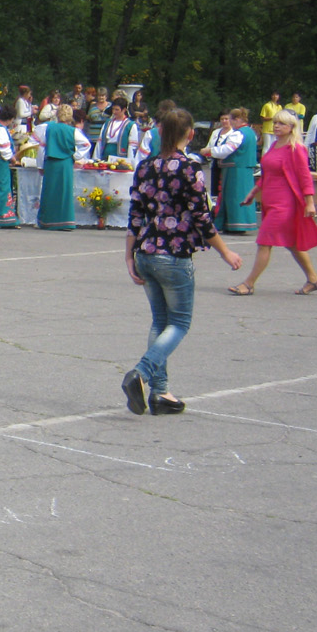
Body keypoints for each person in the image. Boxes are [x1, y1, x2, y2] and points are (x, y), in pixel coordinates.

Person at [122, 108, 243, 415]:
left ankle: (160, 393)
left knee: (160, 322)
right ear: (190, 134)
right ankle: (141, 373)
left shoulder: (145, 166)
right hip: (174, 255)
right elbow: (202, 217)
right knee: (179, 323)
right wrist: (226, 252)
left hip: (146, 251)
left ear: (160, 132)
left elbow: (135, 213)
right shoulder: (190, 168)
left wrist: (128, 255)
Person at [229, 110, 317, 296]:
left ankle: (249, 284)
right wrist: (253, 193)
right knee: (292, 243)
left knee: (264, 242)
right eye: (275, 122)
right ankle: (314, 279)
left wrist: (310, 202)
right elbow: (267, 175)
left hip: (284, 205)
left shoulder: (296, 148)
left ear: (291, 127)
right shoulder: (274, 145)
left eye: (281, 123)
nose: (276, 126)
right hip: (270, 202)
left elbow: (305, 177)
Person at [36, 104, 87, 230]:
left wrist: (40, 165)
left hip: (51, 163)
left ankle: (47, 221)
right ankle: (65, 220)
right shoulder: (73, 131)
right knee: (64, 192)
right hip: (65, 164)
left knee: (50, 191)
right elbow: (86, 144)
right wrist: (75, 156)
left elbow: (42, 148)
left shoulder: (48, 128)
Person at [209, 107, 259, 234]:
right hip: (246, 169)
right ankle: (243, 223)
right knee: (243, 195)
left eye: (231, 119)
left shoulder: (238, 134)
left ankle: (235, 224)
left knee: (234, 197)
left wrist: (210, 151)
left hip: (235, 170)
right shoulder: (251, 132)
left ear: (237, 119)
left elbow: (227, 149)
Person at [94, 97, 139, 162]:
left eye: (117, 110)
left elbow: (132, 146)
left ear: (124, 110)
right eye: (113, 109)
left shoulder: (130, 125)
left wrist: (130, 162)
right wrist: (96, 158)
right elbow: (100, 142)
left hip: (120, 159)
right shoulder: (107, 123)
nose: (114, 112)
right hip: (105, 156)